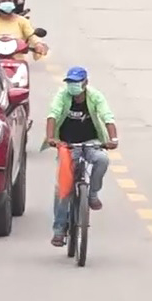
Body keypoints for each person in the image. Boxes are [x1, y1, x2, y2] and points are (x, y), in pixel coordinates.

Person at [43, 67, 118, 246]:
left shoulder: (95, 97)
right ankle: (59, 230)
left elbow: (107, 117)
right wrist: (51, 138)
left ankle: (92, 194)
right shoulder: (62, 96)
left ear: (85, 83)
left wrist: (113, 139)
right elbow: (52, 115)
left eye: (76, 82)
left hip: (92, 142)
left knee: (102, 160)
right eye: (70, 82)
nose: (73, 86)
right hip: (67, 145)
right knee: (62, 188)